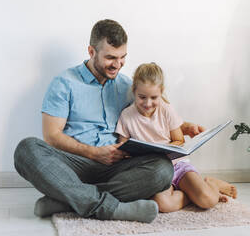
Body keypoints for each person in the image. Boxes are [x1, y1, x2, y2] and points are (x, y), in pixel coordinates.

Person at [14, 19, 203, 223]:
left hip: (117, 166)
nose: (118, 64)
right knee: (26, 149)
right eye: (111, 57)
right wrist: (93, 153)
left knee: (162, 169)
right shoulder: (64, 83)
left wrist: (185, 127)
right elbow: (51, 136)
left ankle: (67, 200)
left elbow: (156, 111)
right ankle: (111, 208)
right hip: (74, 164)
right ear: (91, 51)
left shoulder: (127, 85)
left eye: (122, 57)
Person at [115, 62, 237, 213]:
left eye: (154, 97)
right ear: (134, 91)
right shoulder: (126, 116)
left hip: (177, 166)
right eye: (142, 97)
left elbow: (179, 140)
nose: (148, 103)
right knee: (163, 204)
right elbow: (122, 148)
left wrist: (164, 151)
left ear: (161, 92)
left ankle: (210, 183)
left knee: (208, 200)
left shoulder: (166, 109)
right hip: (154, 172)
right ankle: (191, 194)